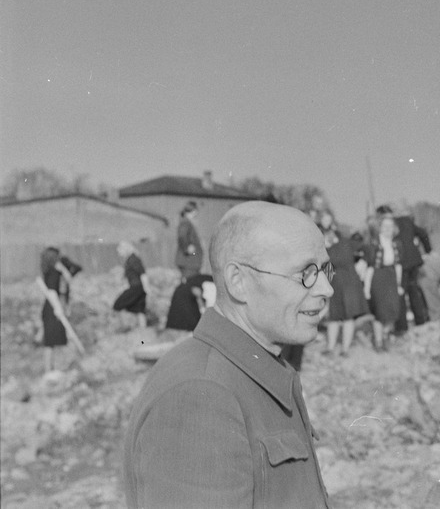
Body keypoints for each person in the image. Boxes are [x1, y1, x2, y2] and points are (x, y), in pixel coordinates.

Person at [124, 201, 333, 508]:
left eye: (326, 269)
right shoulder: (202, 395)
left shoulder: (256, 367)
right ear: (239, 282)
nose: (326, 288)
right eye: (306, 272)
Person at [323, 227, 369, 357]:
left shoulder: (346, 242)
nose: (329, 236)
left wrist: (363, 263)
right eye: (326, 234)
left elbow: (368, 249)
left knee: (349, 316)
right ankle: (330, 348)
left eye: (330, 233)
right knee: (334, 316)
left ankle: (345, 349)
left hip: (350, 284)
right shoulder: (325, 248)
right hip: (335, 284)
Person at [363, 214, 403, 351]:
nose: (387, 229)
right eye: (384, 226)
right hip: (377, 277)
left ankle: (385, 335)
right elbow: (370, 266)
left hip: (391, 277)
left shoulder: (396, 244)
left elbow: (398, 265)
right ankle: (378, 342)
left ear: (394, 228)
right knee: (380, 312)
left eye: (390, 226)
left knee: (392, 310)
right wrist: (367, 288)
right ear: (379, 228)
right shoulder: (374, 244)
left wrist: (398, 284)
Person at [34, 247, 76, 372]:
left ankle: (51, 369)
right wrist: (58, 308)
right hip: (53, 306)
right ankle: (50, 371)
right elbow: (52, 292)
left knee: (51, 341)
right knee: (51, 342)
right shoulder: (54, 272)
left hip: (50, 306)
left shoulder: (48, 270)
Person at [391, 207, 432, 331]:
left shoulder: (392, 223)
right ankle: (421, 321)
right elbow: (423, 233)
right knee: (414, 290)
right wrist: (428, 249)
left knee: (400, 293)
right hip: (413, 260)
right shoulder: (408, 222)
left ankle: (402, 326)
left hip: (400, 262)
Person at [112, 241, 150, 329]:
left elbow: (142, 273)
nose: (119, 254)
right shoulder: (130, 259)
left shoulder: (133, 259)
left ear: (125, 249)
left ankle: (123, 327)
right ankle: (142, 330)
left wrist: (147, 288)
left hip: (136, 288)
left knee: (117, 305)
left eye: (120, 251)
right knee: (139, 309)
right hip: (138, 287)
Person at [175, 201, 203, 280]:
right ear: (194, 211)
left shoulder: (187, 222)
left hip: (190, 262)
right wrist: (187, 249)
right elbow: (181, 236)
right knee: (189, 284)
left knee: (190, 283)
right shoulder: (185, 223)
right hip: (189, 262)